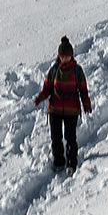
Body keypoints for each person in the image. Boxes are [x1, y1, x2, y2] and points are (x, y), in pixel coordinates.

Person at [32, 37, 91, 171]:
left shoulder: (77, 71)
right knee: (56, 137)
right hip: (55, 109)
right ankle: (58, 161)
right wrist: (40, 97)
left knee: (70, 137)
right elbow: (47, 88)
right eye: (62, 56)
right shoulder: (54, 71)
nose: (65, 58)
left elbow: (83, 89)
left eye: (67, 56)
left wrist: (86, 105)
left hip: (71, 110)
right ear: (59, 56)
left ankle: (71, 162)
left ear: (71, 56)